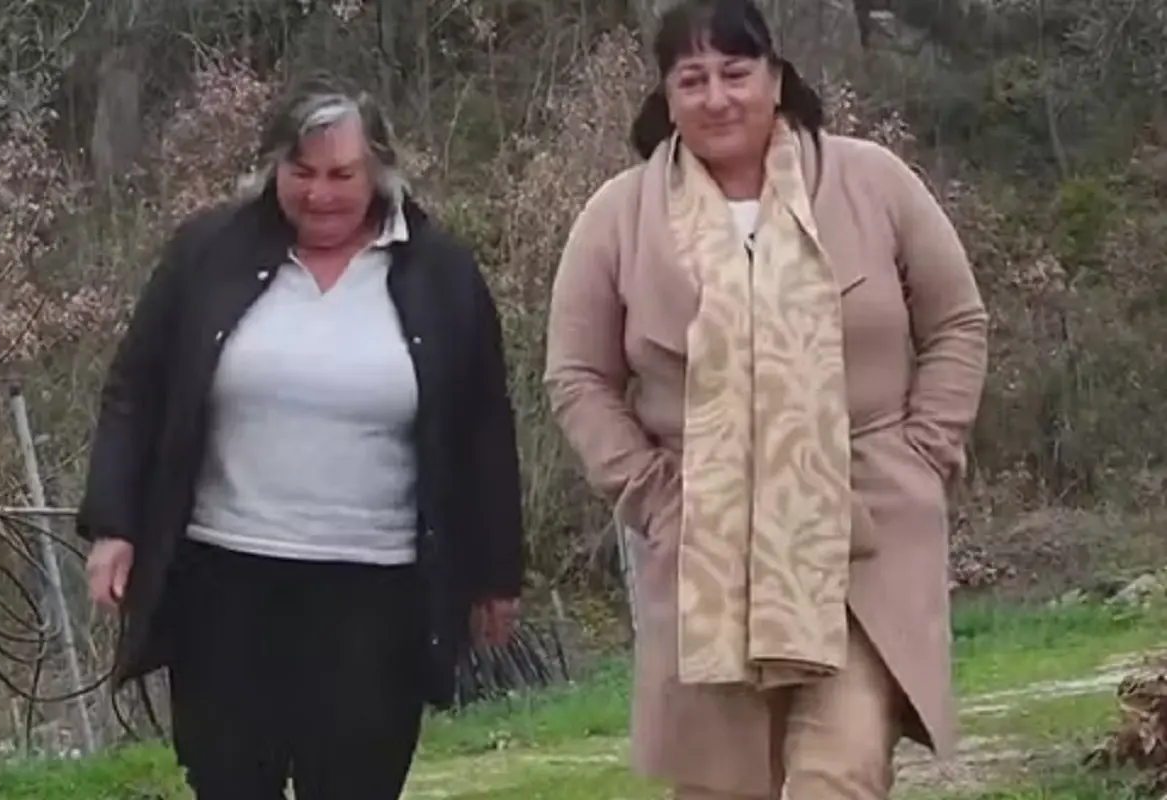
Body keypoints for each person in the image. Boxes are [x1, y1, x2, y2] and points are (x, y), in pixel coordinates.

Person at [543, 1, 988, 798]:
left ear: (775, 79)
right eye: (692, 79)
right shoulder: (619, 216)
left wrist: (926, 448)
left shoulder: (871, 181)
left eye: (735, 73)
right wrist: (652, 493)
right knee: (722, 786)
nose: (716, 97)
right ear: (666, 96)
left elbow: (956, 321)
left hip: (863, 531)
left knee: (841, 771)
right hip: (705, 546)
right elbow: (576, 375)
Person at [75, 73, 525, 800]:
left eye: (341, 174)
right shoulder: (207, 253)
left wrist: (495, 572)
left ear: (379, 172)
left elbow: (481, 428)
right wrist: (114, 525)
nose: (320, 194)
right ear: (272, 169)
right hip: (225, 581)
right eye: (301, 172)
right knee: (228, 779)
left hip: (374, 592)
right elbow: (137, 391)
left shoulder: (440, 274)